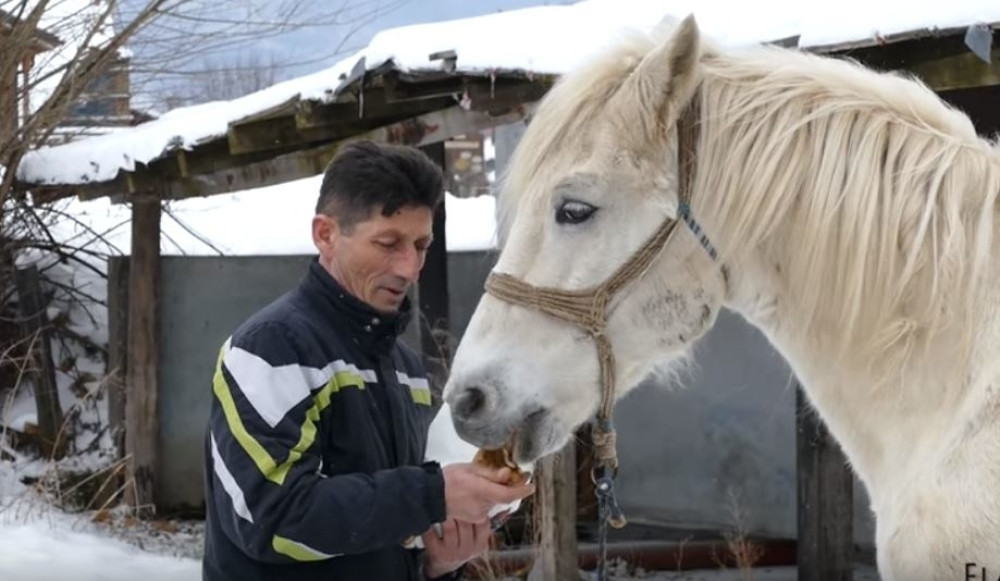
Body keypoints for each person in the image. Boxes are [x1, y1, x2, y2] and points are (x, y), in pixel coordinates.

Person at [201, 141, 535, 580]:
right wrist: (433, 494)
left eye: (421, 245)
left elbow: (385, 535)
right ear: (325, 234)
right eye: (388, 243)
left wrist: (436, 561)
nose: (409, 267)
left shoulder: (406, 368)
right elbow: (269, 520)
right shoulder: (271, 347)